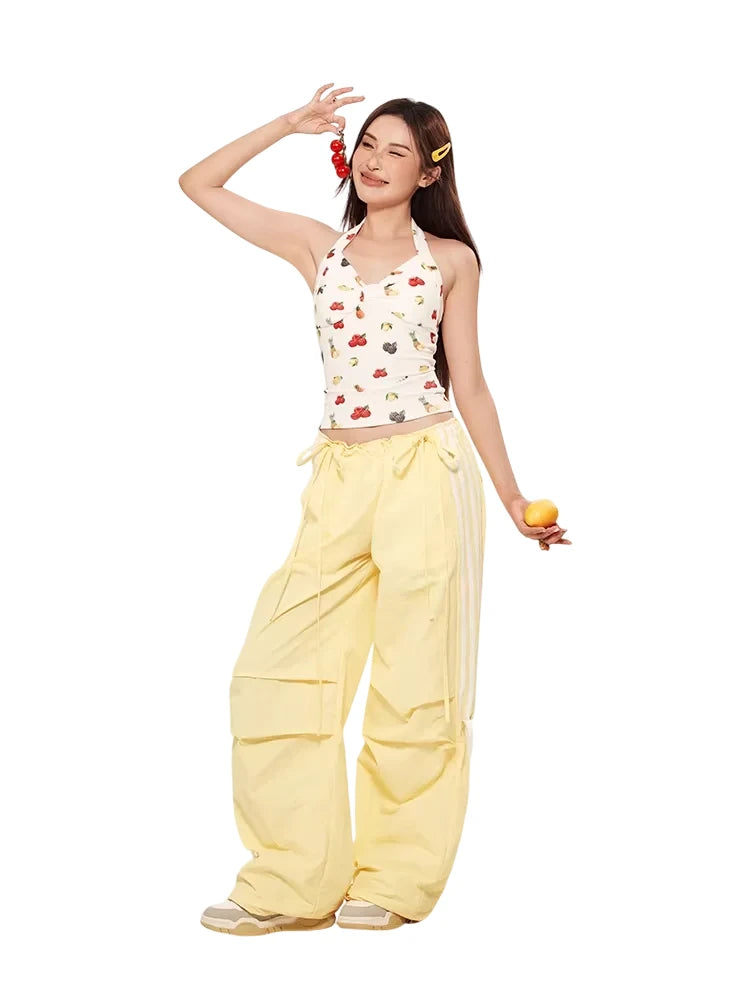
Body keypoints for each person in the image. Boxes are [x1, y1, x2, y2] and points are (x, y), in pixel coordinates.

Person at [179, 83, 571, 936]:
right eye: (367, 144)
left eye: (398, 150)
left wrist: (512, 496)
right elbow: (198, 184)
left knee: (417, 681)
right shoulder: (317, 246)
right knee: (276, 673)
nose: (375, 160)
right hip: (338, 478)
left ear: (429, 172)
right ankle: (293, 881)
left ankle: (394, 878)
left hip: (426, 470)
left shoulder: (451, 260)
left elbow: (470, 384)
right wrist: (287, 124)